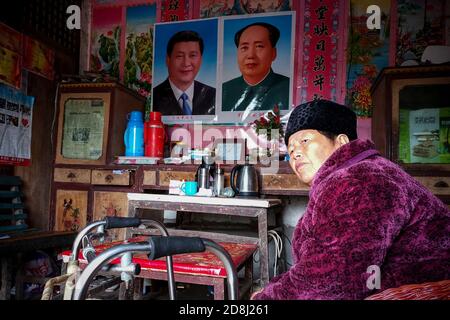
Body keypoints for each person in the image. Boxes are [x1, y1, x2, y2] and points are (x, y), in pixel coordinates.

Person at [251, 99, 450, 300]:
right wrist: (274, 287)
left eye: (304, 141)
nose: (295, 153)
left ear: (341, 142)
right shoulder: (347, 177)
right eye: (291, 149)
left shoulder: (359, 180)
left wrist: (265, 298)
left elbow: (334, 279)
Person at [222, 22, 290, 112]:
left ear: (273, 53)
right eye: (244, 47)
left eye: (259, 46)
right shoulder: (225, 90)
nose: (250, 55)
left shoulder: (288, 88)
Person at [152, 30, 215, 116]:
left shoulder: (212, 95)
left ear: (201, 59)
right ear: (168, 60)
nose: (186, 63)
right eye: (179, 56)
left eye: (192, 55)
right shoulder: (153, 97)